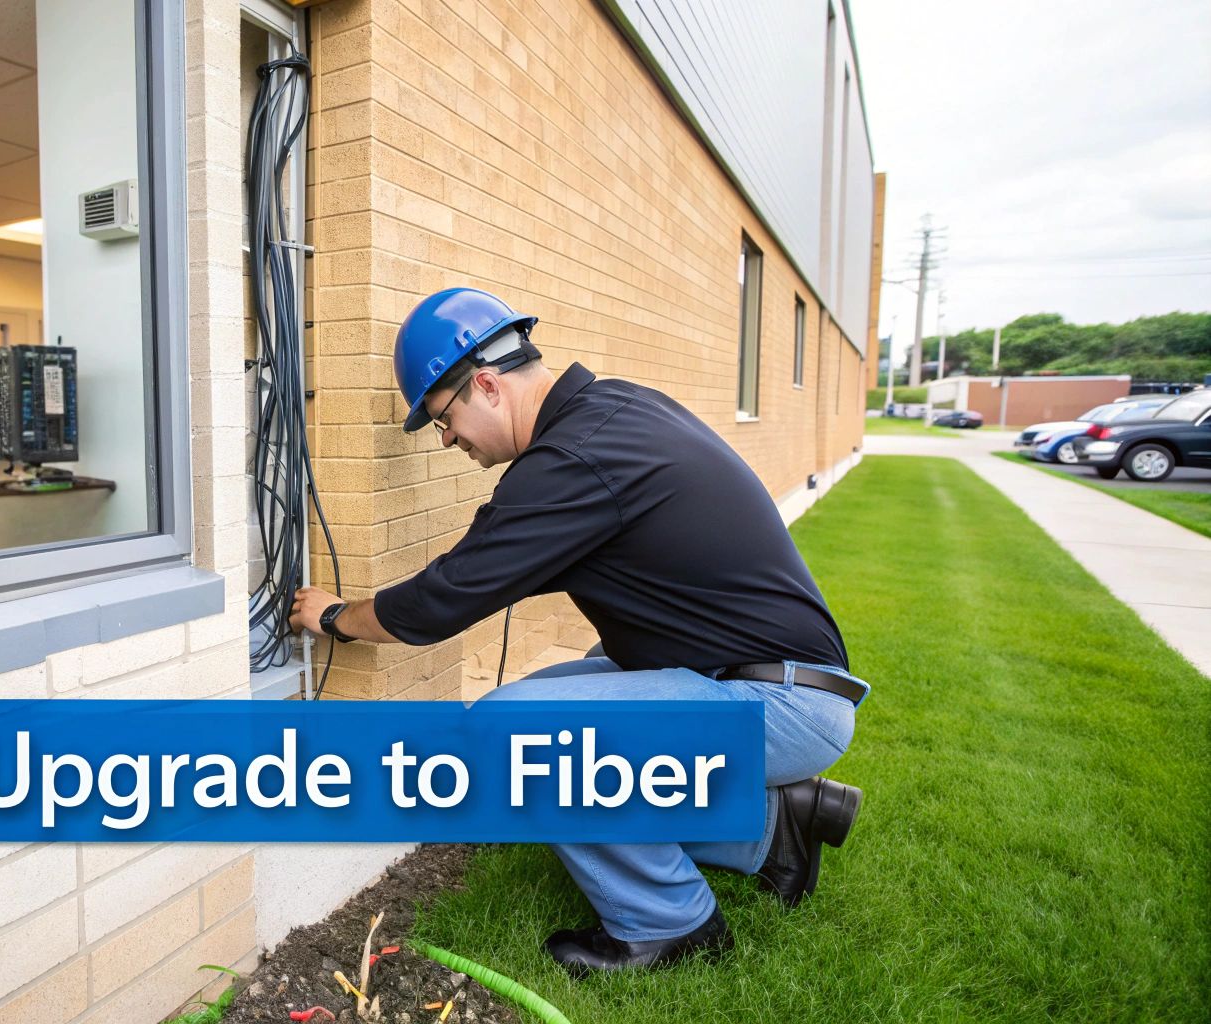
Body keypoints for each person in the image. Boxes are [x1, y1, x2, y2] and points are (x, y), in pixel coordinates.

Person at [289, 287, 868, 977]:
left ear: (485, 385)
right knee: (543, 727)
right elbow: (491, 573)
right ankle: (773, 830)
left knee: (515, 734)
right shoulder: (609, 415)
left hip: (781, 705)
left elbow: (438, 605)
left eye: (443, 420)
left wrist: (334, 616)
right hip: (751, 679)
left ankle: (671, 924)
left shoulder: (573, 462)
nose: (447, 441)